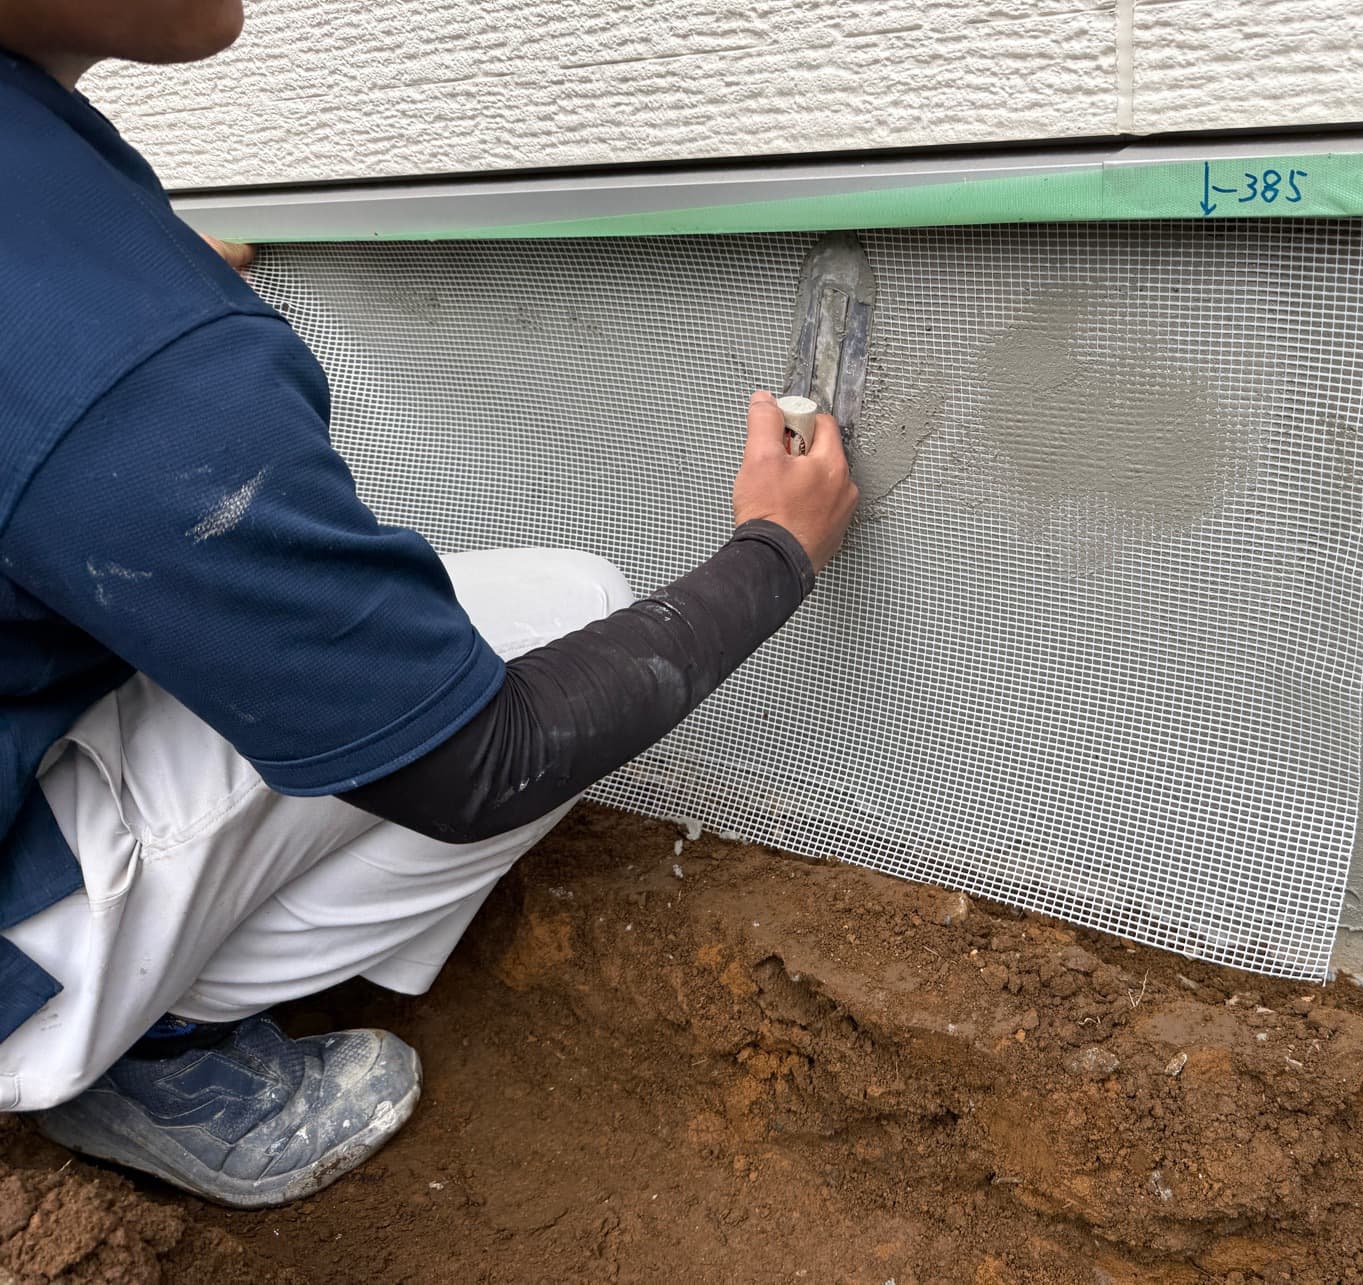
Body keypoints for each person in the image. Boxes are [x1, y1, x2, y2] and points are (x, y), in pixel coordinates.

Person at [0, 0, 858, 1208]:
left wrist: (120, 271)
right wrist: (776, 552)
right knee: (566, 617)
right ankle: (142, 1043)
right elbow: (477, 762)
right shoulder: (129, 374)